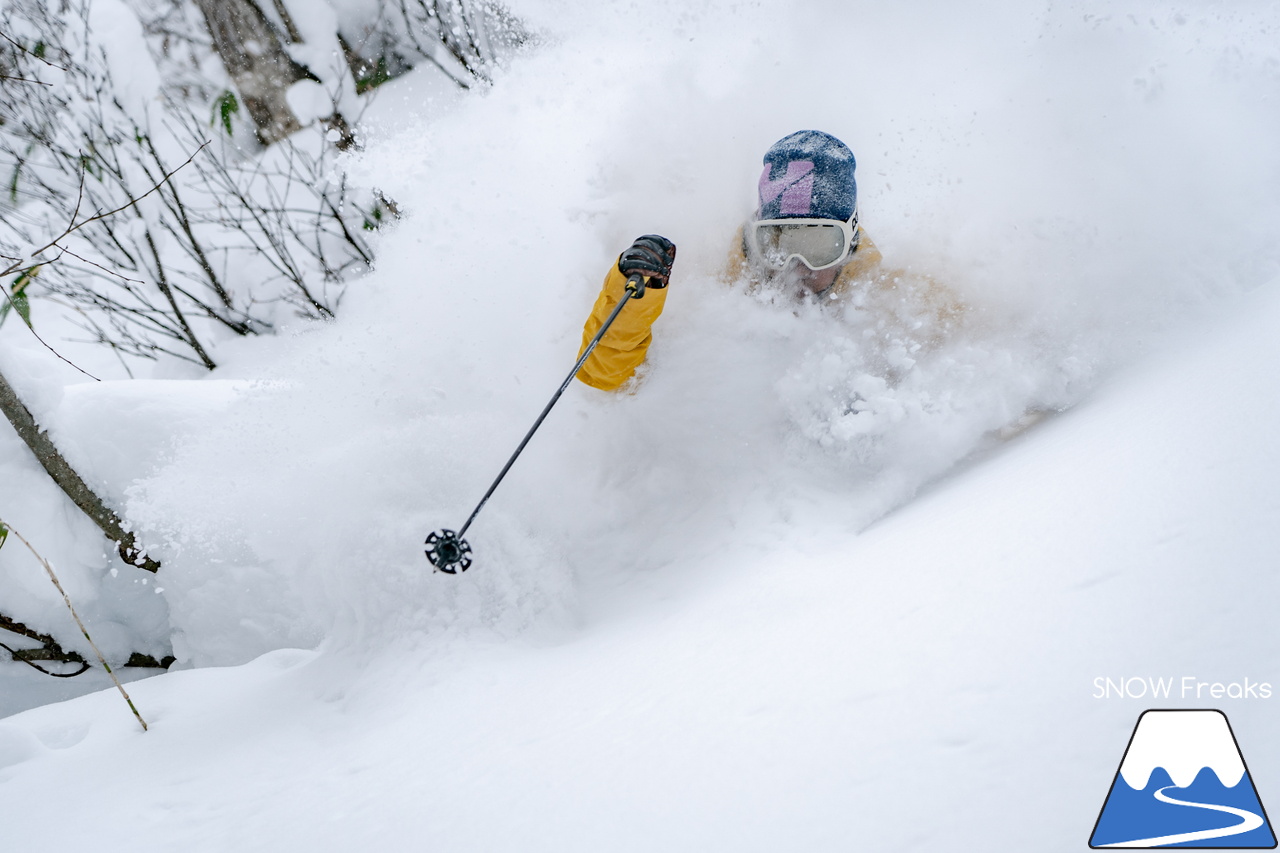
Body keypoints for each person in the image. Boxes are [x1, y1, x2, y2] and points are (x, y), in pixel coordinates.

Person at [574, 130, 957, 392]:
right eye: (778, 243)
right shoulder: (710, 294)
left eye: (821, 244)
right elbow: (605, 380)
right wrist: (637, 299)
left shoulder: (894, 304)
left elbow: (984, 343)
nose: (797, 265)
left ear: (851, 240)